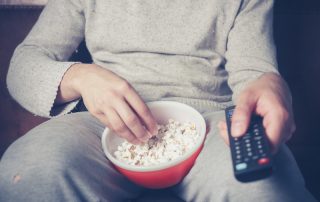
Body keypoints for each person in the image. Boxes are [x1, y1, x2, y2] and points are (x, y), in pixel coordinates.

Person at [0, 0, 317, 201]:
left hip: (212, 125)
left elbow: (253, 71)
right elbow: (22, 68)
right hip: (102, 127)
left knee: (265, 189)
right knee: (29, 170)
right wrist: (81, 77)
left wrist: (270, 83)